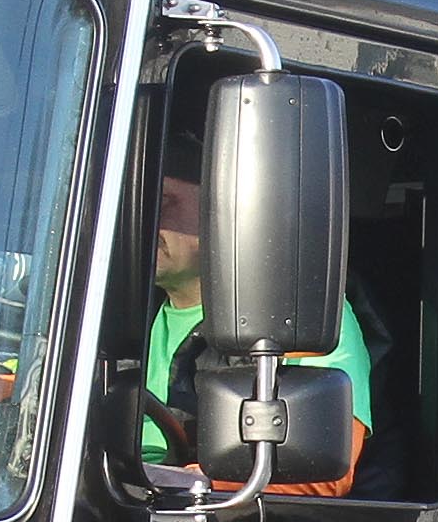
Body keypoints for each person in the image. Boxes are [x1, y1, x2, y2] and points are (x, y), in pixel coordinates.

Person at [139, 171, 369, 498]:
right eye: (139, 202)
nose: (145, 218)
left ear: (226, 208)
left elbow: (326, 477)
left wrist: (203, 483)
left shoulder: (301, 313)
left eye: (163, 201)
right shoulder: (100, 318)